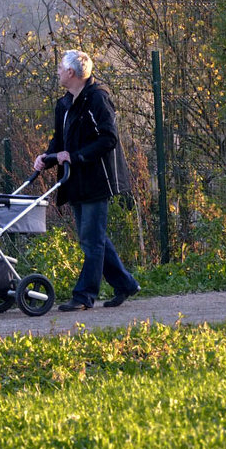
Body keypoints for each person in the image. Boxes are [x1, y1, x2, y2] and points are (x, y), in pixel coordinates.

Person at [34, 49, 140, 311]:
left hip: (96, 179)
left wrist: (77, 157)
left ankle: (84, 296)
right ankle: (125, 283)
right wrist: (46, 158)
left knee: (91, 240)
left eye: (60, 67)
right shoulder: (65, 103)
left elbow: (108, 138)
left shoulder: (97, 99)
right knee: (92, 237)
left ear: (71, 72)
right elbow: (60, 141)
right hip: (75, 180)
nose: (58, 71)